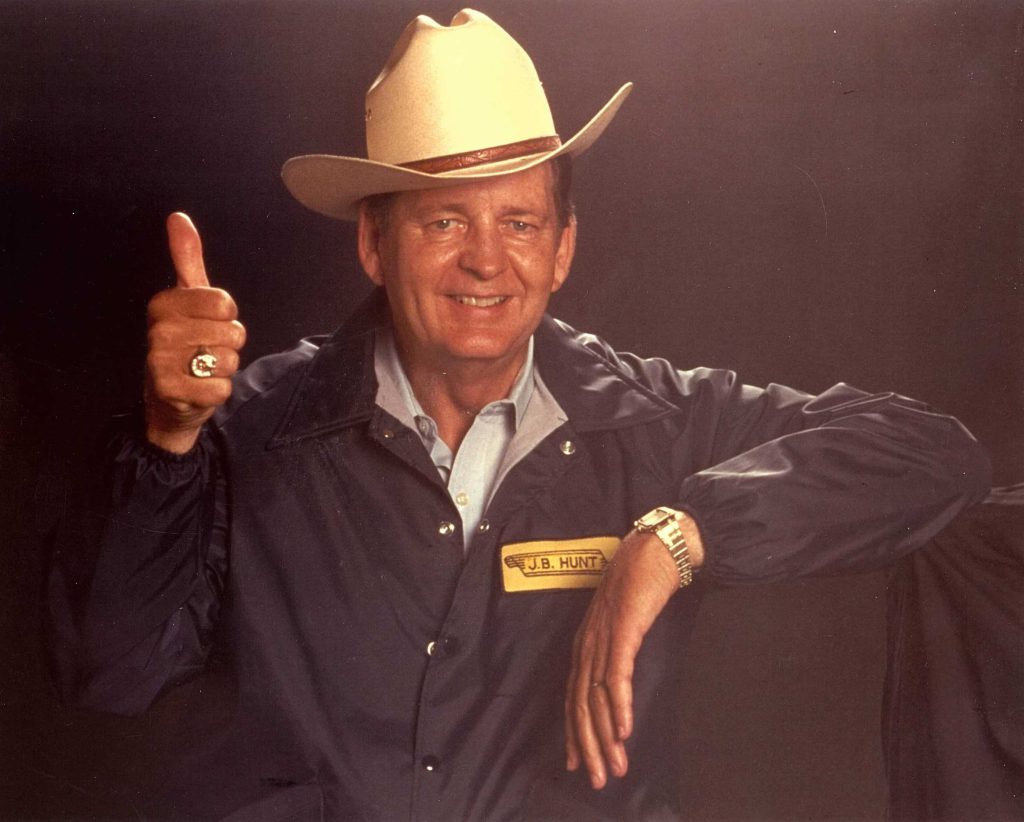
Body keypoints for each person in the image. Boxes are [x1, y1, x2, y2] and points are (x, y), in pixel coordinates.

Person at [48, 9, 990, 819]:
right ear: (375, 243)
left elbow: (932, 454)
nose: (487, 261)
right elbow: (110, 671)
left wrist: (674, 538)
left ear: (565, 247)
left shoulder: (651, 423)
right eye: (446, 220)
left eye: (521, 222)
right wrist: (168, 439)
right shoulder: (247, 431)